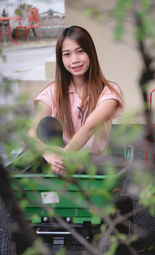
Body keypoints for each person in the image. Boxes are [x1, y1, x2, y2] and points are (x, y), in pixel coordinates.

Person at [28, 25, 124, 175]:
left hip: (89, 163)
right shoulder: (51, 92)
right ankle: (58, 170)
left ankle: (65, 172)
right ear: (61, 59)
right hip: (56, 161)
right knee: (46, 125)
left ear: (90, 52)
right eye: (67, 54)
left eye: (80, 51)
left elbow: (89, 128)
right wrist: (51, 157)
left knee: (116, 162)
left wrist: (66, 158)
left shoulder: (109, 92)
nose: (74, 60)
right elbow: (32, 133)